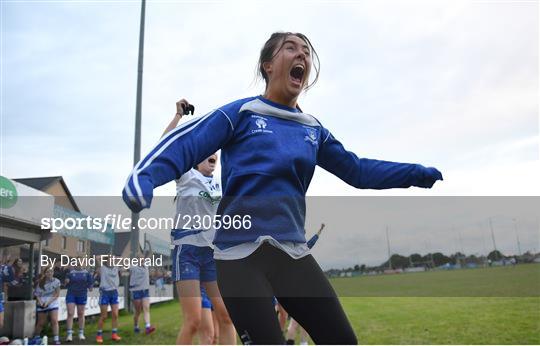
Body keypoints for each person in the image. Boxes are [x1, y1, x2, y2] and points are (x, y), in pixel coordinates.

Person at [122, 32, 443, 344]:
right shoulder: (242, 113)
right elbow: (186, 143)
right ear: (268, 65)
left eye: (306, 51)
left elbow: (357, 170)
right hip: (238, 257)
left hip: (292, 252)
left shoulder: (312, 129)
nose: (302, 54)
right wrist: (145, 177)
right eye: (291, 48)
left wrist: (414, 173)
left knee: (343, 340)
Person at [162, 102, 236, 345]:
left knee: (226, 317)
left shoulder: (223, 182)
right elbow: (165, 147)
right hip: (188, 253)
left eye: (215, 151)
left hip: (212, 255)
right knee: (193, 321)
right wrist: (178, 116)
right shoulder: (187, 175)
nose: (212, 153)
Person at [64, 260, 93, 342]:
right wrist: (66, 282)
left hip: (82, 294)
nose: (78, 264)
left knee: (81, 313)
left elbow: (90, 285)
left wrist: (90, 287)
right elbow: (65, 283)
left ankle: (81, 333)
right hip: (71, 294)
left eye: (80, 263)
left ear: (83, 264)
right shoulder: (70, 272)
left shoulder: (87, 273)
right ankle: (69, 334)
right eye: (77, 263)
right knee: (70, 313)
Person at [96, 258, 121, 343]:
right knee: (104, 316)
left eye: (112, 260)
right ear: (106, 261)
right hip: (105, 293)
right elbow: (97, 258)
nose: (111, 261)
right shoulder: (103, 268)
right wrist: (107, 256)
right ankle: (99, 335)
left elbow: (123, 258)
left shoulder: (116, 267)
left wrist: (114, 257)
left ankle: (114, 334)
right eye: (109, 260)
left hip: (114, 292)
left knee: (115, 314)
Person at [33, 267, 61, 345]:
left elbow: (57, 294)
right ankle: (36, 337)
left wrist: (48, 302)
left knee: (54, 320)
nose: (50, 273)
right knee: (41, 322)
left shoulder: (56, 281)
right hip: (42, 302)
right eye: (48, 272)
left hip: (52, 302)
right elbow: (37, 295)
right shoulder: (40, 282)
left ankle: (56, 339)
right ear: (45, 273)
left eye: (51, 271)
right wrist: (41, 302)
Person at [129, 254, 155, 335]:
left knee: (146, 308)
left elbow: (151, 254)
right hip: (136, 291)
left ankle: (148, 327)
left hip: (145, 291)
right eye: (140, 259)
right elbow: (124, 266)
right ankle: (136, 326)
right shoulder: (133, 267)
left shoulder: (146, 266)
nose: (142, 260)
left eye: (143, 259)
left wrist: (149, 244)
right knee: (138, 311)